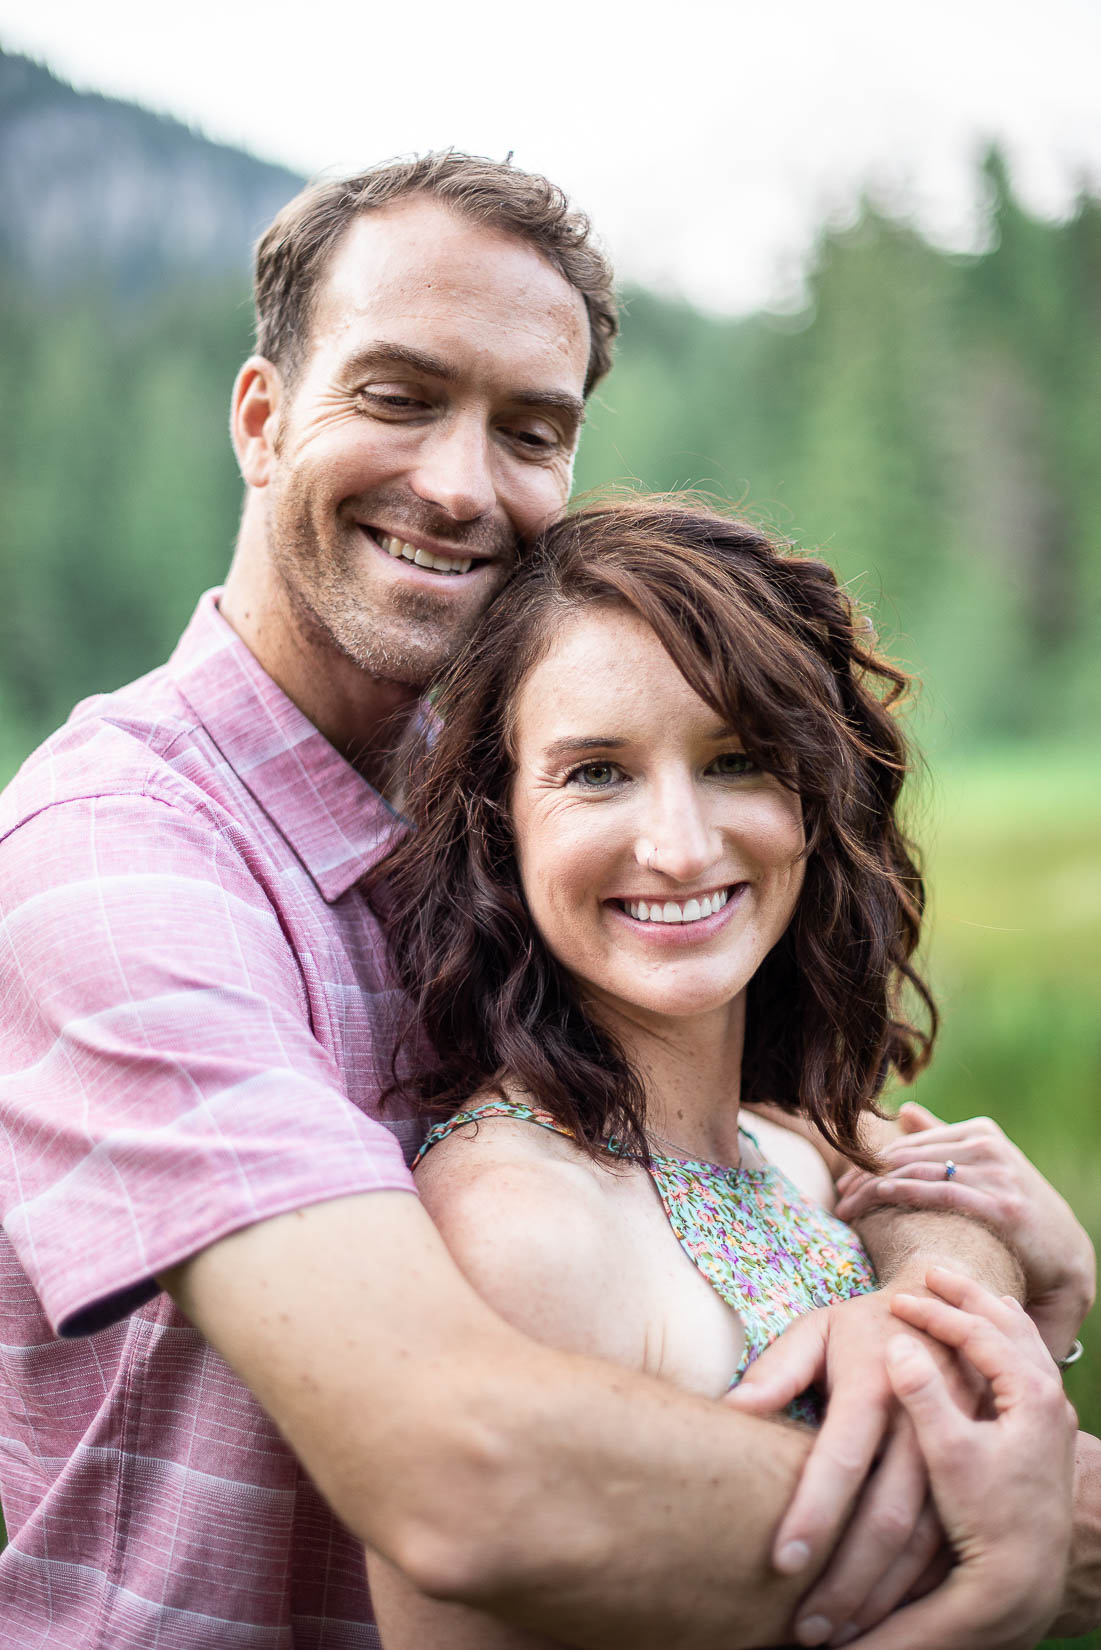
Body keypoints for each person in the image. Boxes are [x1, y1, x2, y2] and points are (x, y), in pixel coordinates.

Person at [0, 151, 1093, 1648]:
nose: (460, 483)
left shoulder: (522, 789)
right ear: (261, 418)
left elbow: (767, 1147)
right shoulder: (117, 865)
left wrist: (947, 1266)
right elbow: (464, 1470)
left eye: (529, 428)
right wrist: (992, 1503)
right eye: (396, 395)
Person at [366, 496, 1095, 1649]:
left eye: (738, 759)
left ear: (816, 795)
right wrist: (994, 1602)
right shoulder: (523, 1228)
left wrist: (1029, 1316)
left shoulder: (800, 1140)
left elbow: (942, 1230)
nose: (683, 845)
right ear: (500, 818)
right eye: (598, 772)